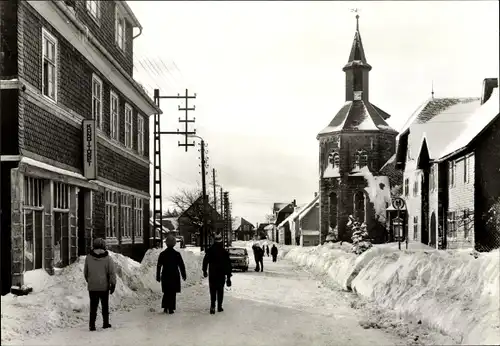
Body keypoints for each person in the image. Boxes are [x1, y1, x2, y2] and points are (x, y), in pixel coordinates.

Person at [84, 238, 117, 331]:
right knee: (105, 306)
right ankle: (105, 323)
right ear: (103, 246)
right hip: (104, 287)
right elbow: (112, 273)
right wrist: (113, 284)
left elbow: (85, 273)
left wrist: (90, 281)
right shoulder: (108, 259)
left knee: (93, 306)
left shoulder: (88, 258)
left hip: (92, 286)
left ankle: (92, 325)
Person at [156, 234, 187, 314]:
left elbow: (159, 265)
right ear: (174, 243)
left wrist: (158, 276)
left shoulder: (163, 254)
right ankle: (171, 308)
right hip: (174, 275)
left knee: (166, 291)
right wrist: (183, 274)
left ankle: (165, 307)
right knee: (172, 292)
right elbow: (181, 265)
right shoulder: (176, 254)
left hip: (165, 274)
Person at [202, 233, 232, 314]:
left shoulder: (210, 250)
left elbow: (205, 261)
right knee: (220, 290)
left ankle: (212, 306)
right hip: (221, 274)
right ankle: (219, 306)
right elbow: (228, 265)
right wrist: (228, 277)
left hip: (212, 274)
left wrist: (204, 271)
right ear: (221, 241)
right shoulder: (224, 252)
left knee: (212, 290)